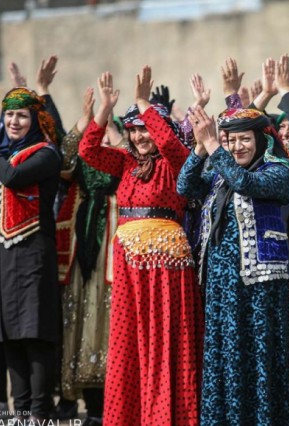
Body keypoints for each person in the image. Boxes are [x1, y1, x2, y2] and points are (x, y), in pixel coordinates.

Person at [78, 68, 203, 425]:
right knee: (129, 344)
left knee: (165, 342)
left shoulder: (177, 164)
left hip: (166, 267)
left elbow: (169, 144)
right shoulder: (124, 162)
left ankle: (168, 415)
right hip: (130, 267)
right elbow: (87, 150)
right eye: (132, 129)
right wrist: (104, 109)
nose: (138, 135)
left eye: (143, 128)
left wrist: (146, 103)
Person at [177, 105, 289, 425]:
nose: (237, 147)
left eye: (244, 139)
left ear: (260, 138)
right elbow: (184, 187)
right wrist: (202, 146)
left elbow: (247, 184)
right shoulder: (220, 171)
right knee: (225, 356)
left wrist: (216, 147)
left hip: (259, 285)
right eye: (230, 140)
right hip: (221, 282)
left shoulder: (279, 170)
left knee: (257, 358)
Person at [56, 88, 123, 426]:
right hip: (83, 240)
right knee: (80, 314)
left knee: (109, 318)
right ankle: (81, 400)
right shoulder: (83, 153)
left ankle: (106, 405)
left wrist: (111, 121)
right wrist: (85, 120)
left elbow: (129, 155)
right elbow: (64, 161)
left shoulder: (122, 154)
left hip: (112, 242)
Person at [0, 87, 62, 422]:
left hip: (34, 253)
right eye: (9, 114)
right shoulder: (5, 152)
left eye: (21, 115)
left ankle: (41, 413)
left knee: (34, 333)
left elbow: (13, 177)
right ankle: (19, 413)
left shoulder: (46, 154)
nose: (14, 121)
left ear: (34, 120)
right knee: (10, 336)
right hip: (6, 257)